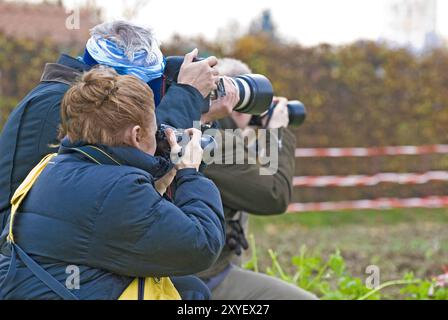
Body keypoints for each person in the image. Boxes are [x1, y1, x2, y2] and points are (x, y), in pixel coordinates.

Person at [0, 68, 225, 300]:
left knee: (187, 288)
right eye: (155, 129)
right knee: (193, 294)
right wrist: (190, 173)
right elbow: (201, 246)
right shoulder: (120, 189)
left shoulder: (51, 168)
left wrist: (157, 186)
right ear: (136, 135)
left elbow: (101, 233)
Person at [0, 20, 233, 232]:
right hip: (18, 253)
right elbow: (139, 165)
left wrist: (197, 114)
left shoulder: (69, 96)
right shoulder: (58, 104)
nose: (143, 106)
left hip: (59, 241)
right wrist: (187, 95)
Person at [197, 58, 318, 300]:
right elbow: (273, 193)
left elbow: (252, 172)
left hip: (200, 268)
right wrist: (276, 133)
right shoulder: (213, 141)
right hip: (200, 278)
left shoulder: (204, 130)